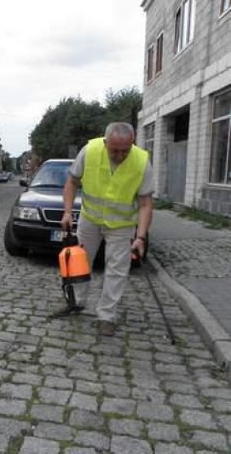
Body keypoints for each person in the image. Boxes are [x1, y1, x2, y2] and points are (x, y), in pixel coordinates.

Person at [60, 122, 154, 336]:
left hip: (121, 226)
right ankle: (76, 303)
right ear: (105, 142)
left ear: (133, 143)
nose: (121, 155)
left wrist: (141, 237)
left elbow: (146, 203)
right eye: (115, 150)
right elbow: (72, 182)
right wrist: (67, 212)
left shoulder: (141, 161)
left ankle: (107, 316)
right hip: (90, 219)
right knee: (79, 264)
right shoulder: (90, 150)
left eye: (126, 150)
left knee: (117, 271)